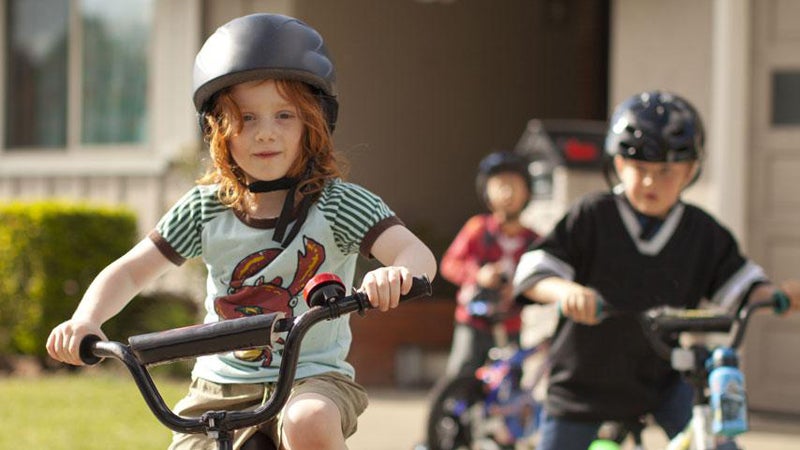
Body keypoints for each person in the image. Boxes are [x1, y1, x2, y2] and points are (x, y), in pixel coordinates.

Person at [46, 13, 436, 450]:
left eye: (284, 115)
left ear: (314, 123)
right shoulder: (206, 208)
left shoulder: (338, 204)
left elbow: (415, 254)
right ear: (217, 131)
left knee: (308, 421)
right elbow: (132, 271)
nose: (265, 133)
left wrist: (396, 274)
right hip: (217, 390)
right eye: (246, 118)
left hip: (312, 380)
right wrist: (87, 319)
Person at [512, 90, 800, 450]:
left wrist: (776, 297)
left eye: (666, 171)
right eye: (640, 170)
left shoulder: (702, 231)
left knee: (717, 442)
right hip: (583, 383)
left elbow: (739, 286)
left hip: (663, 376)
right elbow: (534, 270)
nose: (651, 183)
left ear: (690, 171)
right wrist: (565, 291)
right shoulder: (592, 216)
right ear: (618, 165)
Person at [440, 151, 540, 378]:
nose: (507, 193)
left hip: (510, 324)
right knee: (461, 379)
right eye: (500, 185)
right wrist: (478, 275)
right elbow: (449, 263)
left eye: (514, 185)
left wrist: (520, 288)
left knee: (509, 382)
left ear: (527, 192)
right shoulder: (477, 228)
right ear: (487, 192)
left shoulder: (534, 241)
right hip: (474, 321)